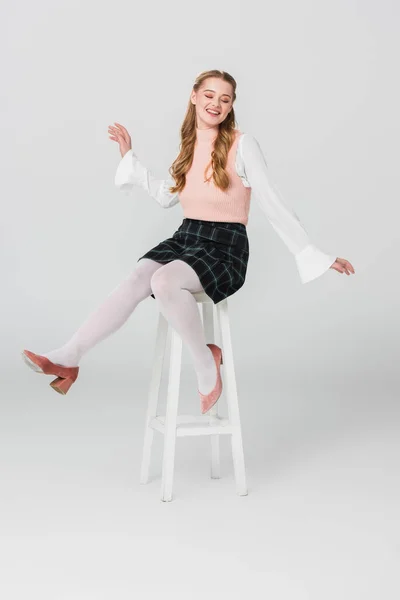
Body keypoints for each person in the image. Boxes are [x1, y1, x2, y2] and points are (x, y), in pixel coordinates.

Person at [21, 69, 355, 413]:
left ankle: (206, 363)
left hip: (226, 247)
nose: (216, 103)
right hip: (187, 236)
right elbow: (169, 195)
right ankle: (70, 356)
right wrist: (129, 160)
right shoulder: (190, 145)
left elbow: (271, 199)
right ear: (194, 96)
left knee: (163, 280)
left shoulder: (243, 144)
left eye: (224, 99)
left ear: (230, 108)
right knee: (139, 276)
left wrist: (314, 253)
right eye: (209, 95)